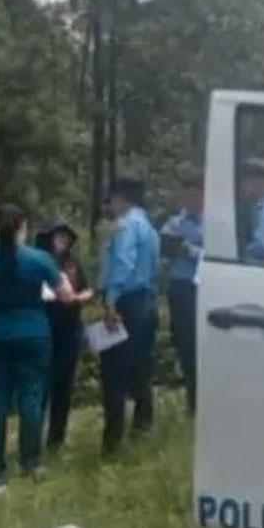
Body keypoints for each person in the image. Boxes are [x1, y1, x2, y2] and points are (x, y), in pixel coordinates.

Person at [0, 204, 77, 493]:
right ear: (24, 227)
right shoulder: (40, 259)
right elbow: (65, 296)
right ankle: (30, 461)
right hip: (32, 331)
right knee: (31, 397)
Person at [97, 176, 160, 454]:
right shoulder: (149, 227)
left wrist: (110, 301)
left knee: (113, 372)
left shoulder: (124, 225)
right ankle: (142, 428)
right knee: (141, 369)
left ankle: (112, 440)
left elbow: (122, 264)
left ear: (120, 198)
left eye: (111, 200)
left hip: (124, 303)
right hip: (146, 302)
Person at [35, 219, 93, 451]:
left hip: (71, 329)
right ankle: (34, 438)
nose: (62, 241)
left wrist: (80, 297)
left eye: (66, 238)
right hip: (46, 327)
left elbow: (88, 289)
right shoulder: (42, 262)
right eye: (59, 237)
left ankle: (56, 440)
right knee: (42, 386)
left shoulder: (73, 263)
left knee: (64, 388)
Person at [159, 175, 203, 413]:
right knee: (182, 341)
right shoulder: (174, 224)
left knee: (200, 342)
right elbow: (163, 255)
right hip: (179, 287)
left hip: (201, 286)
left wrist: (190, 249)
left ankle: (200, 396)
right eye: (188, 196)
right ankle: (190, 396)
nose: (192, 200)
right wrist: (167, 252)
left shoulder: (211, 223)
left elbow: (212, 255)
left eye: (197, 195)